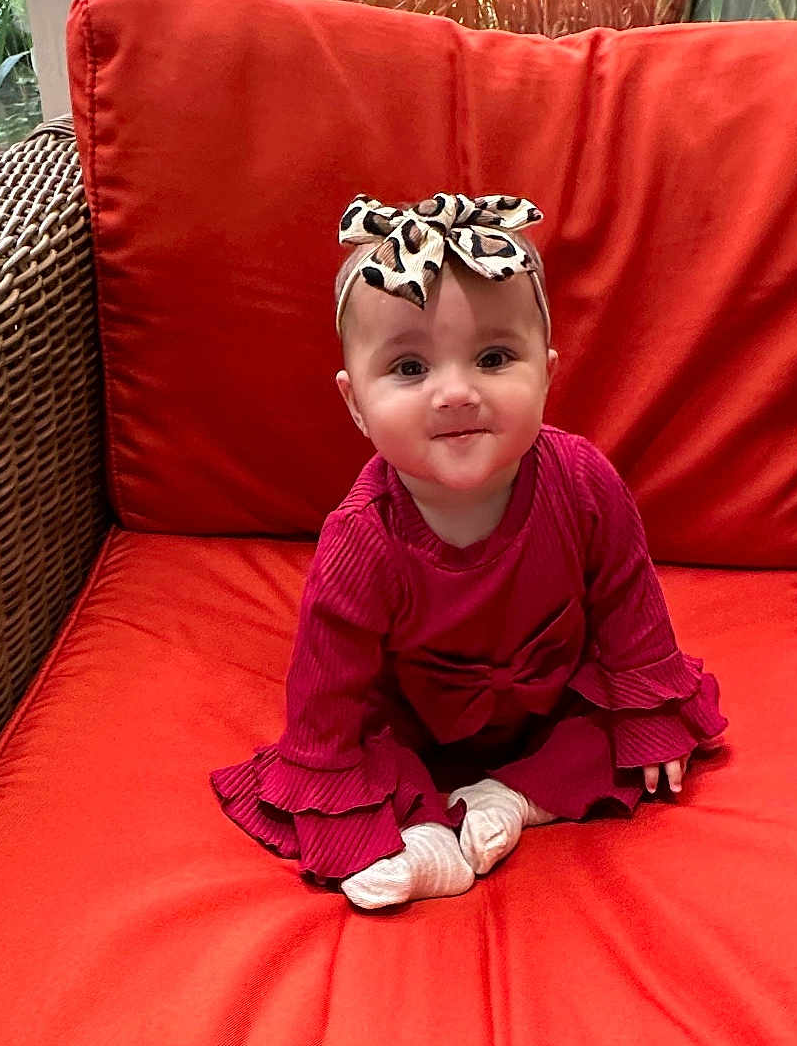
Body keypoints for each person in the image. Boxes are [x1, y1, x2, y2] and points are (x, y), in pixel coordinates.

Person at [212, 191, 727, 910]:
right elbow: (326, 691)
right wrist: (335, 798)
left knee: (629, 733)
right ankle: (426, 835)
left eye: (492, 357)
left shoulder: (583, 482)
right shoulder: (362, 538)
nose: (455, 393)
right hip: (417, 725)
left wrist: (646, 710)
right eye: (410, 369)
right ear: (355, 402)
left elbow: (629, 607)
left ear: (547, 371)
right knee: (368, 752)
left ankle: (512, 798)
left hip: (552, 705)